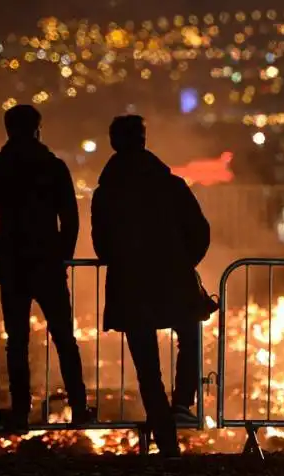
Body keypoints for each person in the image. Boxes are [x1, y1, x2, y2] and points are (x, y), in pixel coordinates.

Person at [0, 104, 95, 432]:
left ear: (8, 130)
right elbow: (70, 217)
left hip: (13, 266)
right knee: (65, 338)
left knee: (17, 342)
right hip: (48, 264)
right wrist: (62, 254)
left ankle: (20, 412)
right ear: (38, 128)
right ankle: (79, 408)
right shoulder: (52, 166)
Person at [91, 115, 211, 456]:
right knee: (189, 337)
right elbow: (200, 232)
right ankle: (183, 403)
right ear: (143, 140)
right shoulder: (171, 185)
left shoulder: (106, 193)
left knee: (148, 369)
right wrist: (184, 264)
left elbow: (102, 247)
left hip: (131, 288)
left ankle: (166, 439)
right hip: (176, 283)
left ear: (114, 143)